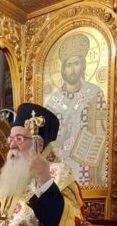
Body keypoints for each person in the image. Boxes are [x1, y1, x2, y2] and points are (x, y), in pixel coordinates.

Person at [45, 33, 107, 186]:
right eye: (68, 65)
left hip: (87, 163)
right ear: (63, 69)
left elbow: (104, 131)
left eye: (76, 63)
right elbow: (47, 140)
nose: (72, 70)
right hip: (60, 164)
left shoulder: (94, 94)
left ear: (83, 65)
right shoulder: (53, 102)